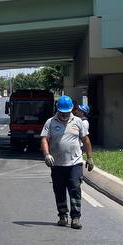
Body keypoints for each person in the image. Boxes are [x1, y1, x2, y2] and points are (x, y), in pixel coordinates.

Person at [41, 95, 91, 229]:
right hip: (57, 163)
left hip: (75, 162)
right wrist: (46, 155)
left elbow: (85, 140)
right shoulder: (50, 122)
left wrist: (90, 158)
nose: (64, 115)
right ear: (58, 110)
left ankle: (75, 217)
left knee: (75, 188)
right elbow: (44, 139)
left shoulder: (78, 122)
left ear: (71, 110)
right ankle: (63, 215)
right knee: (59, 189)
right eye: (62, 112)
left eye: (67, 112)